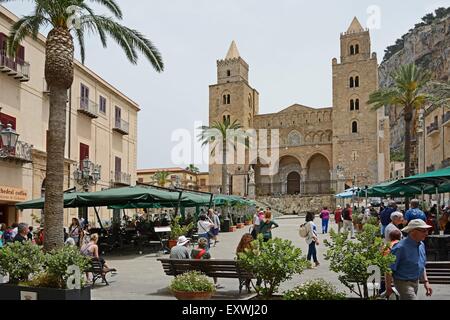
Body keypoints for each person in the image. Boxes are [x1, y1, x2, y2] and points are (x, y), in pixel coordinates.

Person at [385, 219, 433, 300]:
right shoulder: (400, 247)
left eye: (426, 230)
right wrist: (388, 288)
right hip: (403, 282)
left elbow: (421, 264)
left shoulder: (421, 244)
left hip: (415, 281)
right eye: (423, 231)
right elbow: (389, 268)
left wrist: (426, 282)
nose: (426, 233)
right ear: (413, 231)